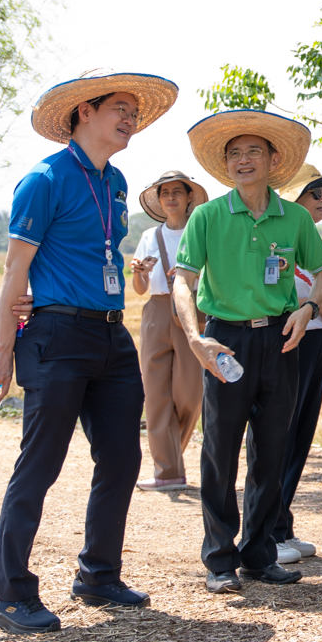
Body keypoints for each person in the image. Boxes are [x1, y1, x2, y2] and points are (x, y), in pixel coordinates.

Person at [0, 71, 179, 634]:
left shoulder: (116, 182)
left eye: (134, 114)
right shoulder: (43, 180)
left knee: (122, 459)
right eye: (120, 108)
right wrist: (2, 353)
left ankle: (99, 575)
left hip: (113, 336)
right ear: (84, 113)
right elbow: (14, 270)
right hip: (56, 337)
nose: (130, 120)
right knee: (39, 466)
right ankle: (13, 596)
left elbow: (101, 253)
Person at [170, 108, 322, 594]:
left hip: (281, 338)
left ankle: (259, 555)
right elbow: (184, 281)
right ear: (226, 165)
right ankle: (220, 559)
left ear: (273, 159)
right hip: (226, 339)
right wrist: (196, 338)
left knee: (271, 450)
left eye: (253, 152)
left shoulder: (297, 218)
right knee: (220, 450)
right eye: (235, 154)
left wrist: (308, 309)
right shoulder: (207, 217)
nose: (243, 161)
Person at [268, 165, 322, 565]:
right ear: (291, 197)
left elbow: (313, 290)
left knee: (299, 435)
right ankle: (267, 530)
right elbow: (275, 292)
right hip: (288, 342)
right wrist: (319, 305)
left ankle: (282, 523)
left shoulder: (309, 238)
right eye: (315, 193)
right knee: (278, 436)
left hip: (315, 339)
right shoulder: (274, 234)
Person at [130, 169, 209, 492]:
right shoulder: (150, 236)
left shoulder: (201, 232)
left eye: (177, 191)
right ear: (159, 201)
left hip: (192, 310)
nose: (171, 198)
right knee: (155, 394)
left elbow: (216, 277)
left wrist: (192, 276)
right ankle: (167, 472)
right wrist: (139, 273)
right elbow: (139, 288)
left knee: (190, 393)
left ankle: (170, 462)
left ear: (189, 196)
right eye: (165, 193)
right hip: (157, 311)